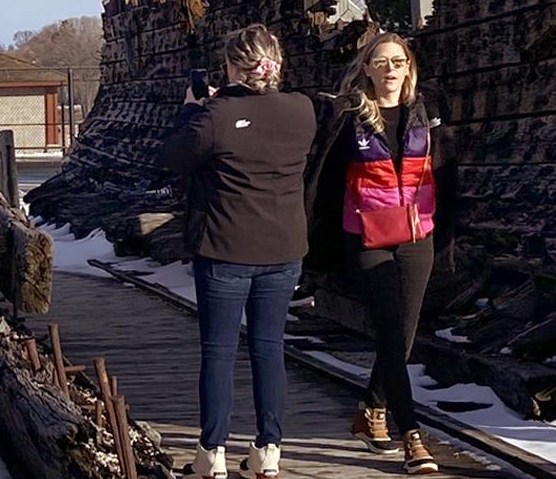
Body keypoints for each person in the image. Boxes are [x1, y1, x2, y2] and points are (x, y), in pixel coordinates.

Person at [161, 24, 315, 479]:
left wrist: (192, 110)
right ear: (277, 64)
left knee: (220, 351)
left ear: (231, 66)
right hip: (285, 247)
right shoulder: (302, 110)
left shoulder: (215, 115)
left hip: (225, 246)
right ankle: (269, 449)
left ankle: (213, 452)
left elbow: (173, 158)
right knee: (270, 348)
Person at [309, 32, 444, 474]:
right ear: (366, 68)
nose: (390, 70)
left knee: (403, 335)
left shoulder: (427, 112)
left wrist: (449, 233)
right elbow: (324, 181)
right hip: (367, 236)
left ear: (409, 68)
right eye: (381, 62)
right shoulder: (348, 116)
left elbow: (446, 172)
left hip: (416, 234)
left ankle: (371, 408)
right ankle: (413, 436)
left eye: (398, 62)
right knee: (389, 331)